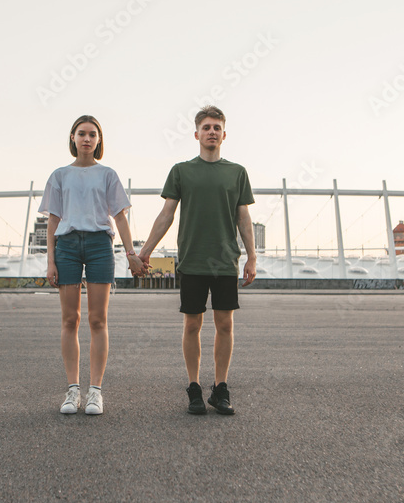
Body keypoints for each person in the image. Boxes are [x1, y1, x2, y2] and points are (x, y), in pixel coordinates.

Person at [139, 105, 256, 415]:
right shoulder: (181, 171)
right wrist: (146, 251)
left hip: (225, 262)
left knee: (225, 325)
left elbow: (244, 218)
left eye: (217, 127)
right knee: (192, 324)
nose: (212, 132)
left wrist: (252, 257)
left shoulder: (237, 172)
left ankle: (221, 388)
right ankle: (193, 388)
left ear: (224, 134)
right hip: (192, 261)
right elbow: (167, 214)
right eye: (206, 127)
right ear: (196, 134)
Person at [39, 115, 146, 416]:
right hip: (68, 247)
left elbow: (120, 216)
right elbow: (52, 222)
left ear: (99, 141)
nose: (87, 138)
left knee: (98, 320)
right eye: (81, 133)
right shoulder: (59, 176)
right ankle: (73, 390)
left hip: (100, 245)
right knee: (70, 320)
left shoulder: (108, 174)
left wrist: (130, 253)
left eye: (93, 134)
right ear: (72, 138)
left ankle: (95, 391)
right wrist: (51, 261)